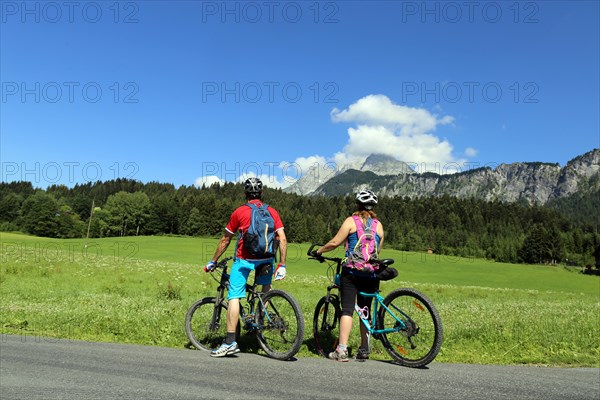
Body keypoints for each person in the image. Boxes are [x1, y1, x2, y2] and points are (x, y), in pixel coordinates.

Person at [204, 177, 287, 357]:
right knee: (265, 292)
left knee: (234, 296)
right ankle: (259, 325)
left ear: (245, 194)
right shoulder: (272, 211)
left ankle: (229, 342)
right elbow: (282, 238)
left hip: (244, 260)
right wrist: (282, 264)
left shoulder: (239, 212)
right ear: (262, 194)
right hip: (267, 259)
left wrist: (213, 260)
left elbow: (226, 239)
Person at [313, 190, 387, 362]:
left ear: (357, 205)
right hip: (370, 274)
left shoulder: (351, 221)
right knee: (365, 311)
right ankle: (364, 349)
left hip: (352, 272)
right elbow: (376, 251)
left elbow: (334, 242)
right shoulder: (379, 226)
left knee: (347, 310)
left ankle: (342, 350)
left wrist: (319, 251)